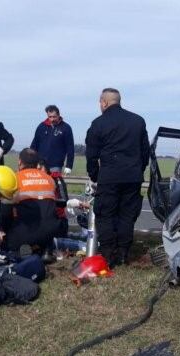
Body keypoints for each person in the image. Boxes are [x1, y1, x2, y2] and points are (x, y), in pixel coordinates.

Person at [85, 88, 150, 267]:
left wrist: (95, 175)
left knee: (105, 214)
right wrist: (138, 170)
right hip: (133, 177)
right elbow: (145, 151)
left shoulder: (98, 123)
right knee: (127, 215)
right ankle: (122, 253)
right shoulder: (138, 121)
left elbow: (91, 154)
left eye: (100, 102)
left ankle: (107, 253)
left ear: (104, 102)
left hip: (109, 177)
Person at [4, 148, 62, 255]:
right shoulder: (49, 179)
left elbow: (5, 209)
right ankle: (43, 247)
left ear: (20, 162)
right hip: (51, 231)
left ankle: (22, 248)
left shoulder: (15, 178)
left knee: (6, 239)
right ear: (37, 163)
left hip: (27, 231)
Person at [30, 105, 75, 176]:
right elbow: (34, 145)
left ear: (58, 115)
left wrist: (69, 166)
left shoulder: (66, 128)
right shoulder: (41, 127)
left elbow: (70, 148)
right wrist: (30, 161)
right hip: (40, 165)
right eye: (50, 117)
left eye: (54, 117)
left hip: (56, 166)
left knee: (54, 186)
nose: (52, 119)